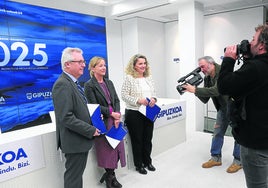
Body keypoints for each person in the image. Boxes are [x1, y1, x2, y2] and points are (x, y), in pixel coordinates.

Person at [218, 24, 268, 188]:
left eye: (254, 39)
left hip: (256, 143)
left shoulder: (257, 67)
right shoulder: (258, 66)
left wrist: (228, 59)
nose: (250, 42)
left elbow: (224, 86)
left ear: (261, 45)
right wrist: (248, 60)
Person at [182, 56, 242, 173]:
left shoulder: (224, 72)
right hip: (222, 108)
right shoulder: (208, 78)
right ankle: (215, 158)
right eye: (200, 67)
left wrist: (195, 90)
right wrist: (194, 90)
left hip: (234, 106)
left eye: (203, 66)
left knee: (237, 134)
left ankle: (238, 161)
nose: (202, 69)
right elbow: (205, 99)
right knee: (217, 133)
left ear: (211, 64)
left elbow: (217, 90)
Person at [52, 47, 100, 188]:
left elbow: (78, 110)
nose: (84, 65)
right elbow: (66, 117)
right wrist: (90, 130)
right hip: (74, 141)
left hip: (79, 139)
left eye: (83, 61)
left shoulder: (73, 83)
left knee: (76, 177)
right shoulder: (62, 84)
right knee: (73, 178)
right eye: (79, 62)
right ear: (67, 64)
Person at [84, 56, 126, 188]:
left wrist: (117, 114)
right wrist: (110, 113)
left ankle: (109, 175)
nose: (104, 68)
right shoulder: (89, 85)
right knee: (108, 151)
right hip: (103, 121)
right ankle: (110, 178)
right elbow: (93, 105)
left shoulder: (109, 82)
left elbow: (117, 101)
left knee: (117, 149)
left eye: (104, 65)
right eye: (100, 65)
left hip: (115, 119)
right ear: (93, 68)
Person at [121, 54, 157, 175]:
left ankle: (148, 162)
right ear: (134, 66)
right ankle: (139, 164)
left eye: (144, 63)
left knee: (148, 139)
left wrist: (154, 99)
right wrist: (138, 100)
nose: (143, 66)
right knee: (137, 140)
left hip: (148, 112)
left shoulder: (149, 77)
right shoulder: (129, 78)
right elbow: (124, 95)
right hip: (134, 113)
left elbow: (154, 92)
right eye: (140, 63)